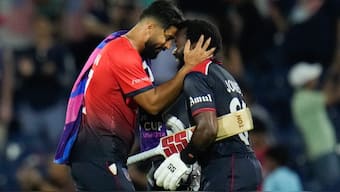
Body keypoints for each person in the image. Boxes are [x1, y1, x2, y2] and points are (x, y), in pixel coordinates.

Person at [53, 0, 215, 191]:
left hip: (103, 158)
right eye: (168, 37)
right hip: (99, 157)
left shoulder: (128, 54)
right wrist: (188, 68)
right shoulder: (122, 53)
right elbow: (153, 103)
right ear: (150, 27)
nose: (168, 46)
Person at [153, 19, 262, 191]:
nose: (174, 51)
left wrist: (184, 158)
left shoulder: (196, 75)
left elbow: (208, 128)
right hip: (244, 165)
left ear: (196, 44)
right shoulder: (224, 74)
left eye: (178, 43)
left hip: (226, 167)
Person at [289, 61, 340, 191]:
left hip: (324, 149)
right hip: (321, 151)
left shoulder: (304, 97)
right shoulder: (303, 99)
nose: (316, 79)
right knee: (332, 187)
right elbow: (333, 97)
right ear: (307, 82)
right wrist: (334, 73)